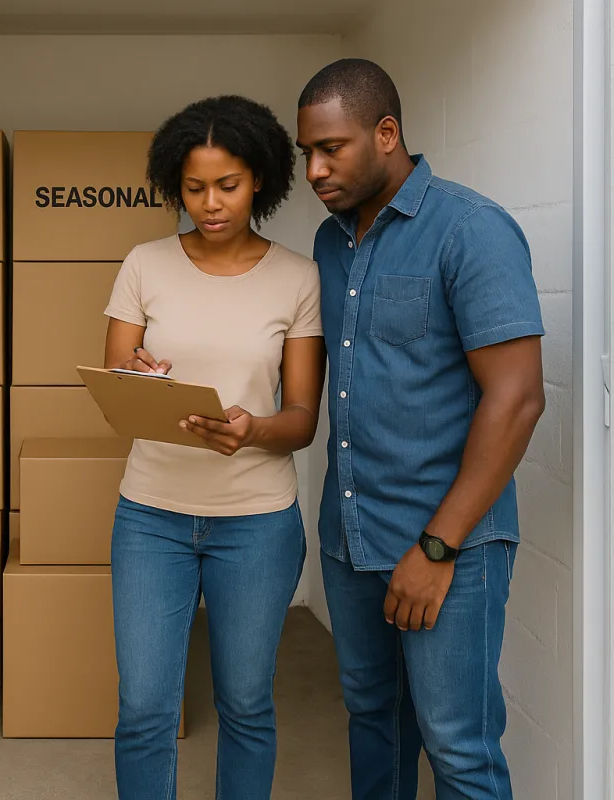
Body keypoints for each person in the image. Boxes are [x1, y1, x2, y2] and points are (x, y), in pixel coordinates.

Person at [295, 58, 546, 800]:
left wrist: (437, 547)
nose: (314, 170)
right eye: (306, 152)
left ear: (386, 133)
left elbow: (518, 398)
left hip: (448, 545)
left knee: (457, 748)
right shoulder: (330, 242)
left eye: (330, 149)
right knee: (373, 721)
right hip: (350, 537)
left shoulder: (471, 229)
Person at [103, 95, 327, 800]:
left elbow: (302, 420)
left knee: (247, 704)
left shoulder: (297, 277)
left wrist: (252, 429)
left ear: (259, 178)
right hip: (151, 516)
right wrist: (139, 380)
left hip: (257, 523)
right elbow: (115, 391)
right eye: (194, 188)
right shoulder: (144, 264)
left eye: (227, 185)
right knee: (144, 708)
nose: (210, 204)